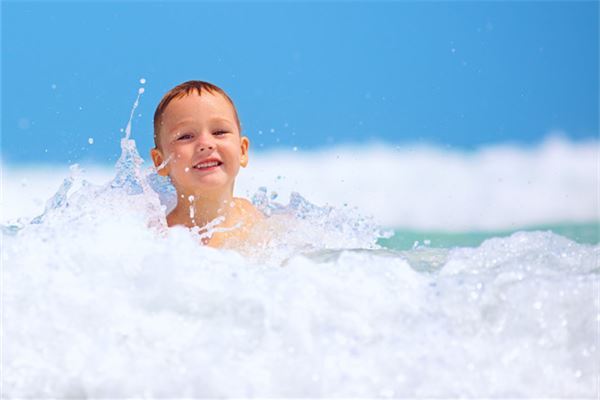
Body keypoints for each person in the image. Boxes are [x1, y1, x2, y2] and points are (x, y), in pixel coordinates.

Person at [150, 80, 263, 247]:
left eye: (219, 132)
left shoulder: (251, 216)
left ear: (242, 151)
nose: (205, 143)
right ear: (160, 162)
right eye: (186, 136)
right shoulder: (164, 239)